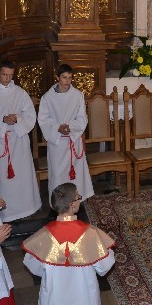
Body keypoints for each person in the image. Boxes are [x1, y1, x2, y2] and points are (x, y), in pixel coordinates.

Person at [22, 183, 116, 305]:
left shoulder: (43, 236)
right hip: (84, 300)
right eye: (78, 197)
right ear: (73, 205)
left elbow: (33, 267)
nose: (80, 200)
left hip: (54, 299)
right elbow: (104, 267)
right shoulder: (90, 234)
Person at [0, 60, 41, 222]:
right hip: (1, 139)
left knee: (22, 175)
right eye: (4, 74)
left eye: (11, 75)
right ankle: (6, 211)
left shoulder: (20, 92)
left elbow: (30, 114)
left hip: (19, 139)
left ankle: (26, 208)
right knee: (4, 177)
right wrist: (2, 119)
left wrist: (17, 118)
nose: (7, 78)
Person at [38, 64, 94, 202]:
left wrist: (70, 127)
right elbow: (43, 120)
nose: (67, 81)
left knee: (76, 175)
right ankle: (59, 203)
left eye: (70, 77)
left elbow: (82, 118)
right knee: (58, 174)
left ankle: (76, 202)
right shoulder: (47, 98)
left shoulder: (77, 95)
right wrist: (58, 127)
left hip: (73, 139)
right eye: (64, 77)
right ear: (58, 77)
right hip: (57, 142)